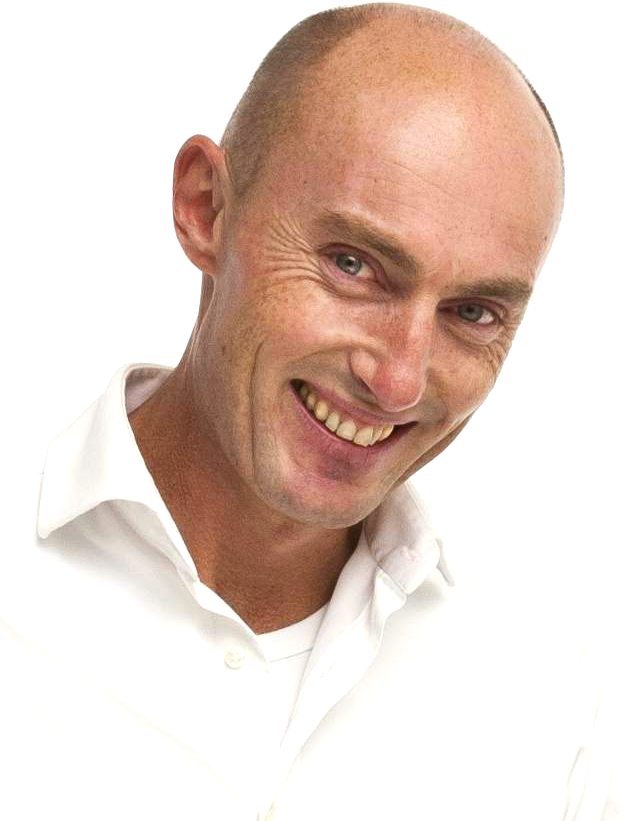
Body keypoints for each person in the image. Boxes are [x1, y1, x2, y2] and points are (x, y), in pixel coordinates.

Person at [0, 4, 623, 820]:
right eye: (354, 264)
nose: (397, 380)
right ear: (205, 207)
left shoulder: (545, 704)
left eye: (472, 313)